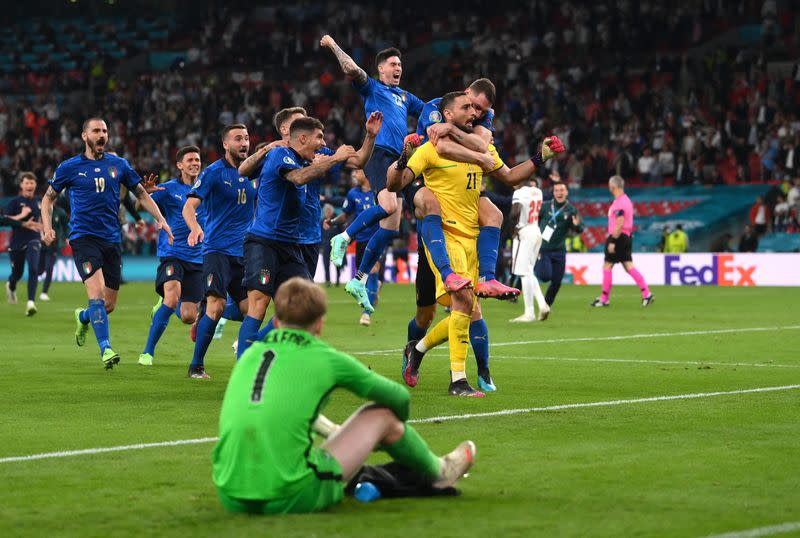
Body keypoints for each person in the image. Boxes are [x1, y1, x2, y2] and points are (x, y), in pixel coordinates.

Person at [212, 277, 476, 515]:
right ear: (320, 324)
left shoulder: (249, 357)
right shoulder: (325, 358)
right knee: (382, 416)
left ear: (277, 322)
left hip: (230, 494)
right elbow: (399, 399)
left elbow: (275, 408)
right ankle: (439, 471)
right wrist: (381, 437)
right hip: (291, 495)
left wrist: (336, 432)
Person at [388, 92, 564, 396]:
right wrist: (403, 156)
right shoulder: (431, 149)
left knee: (468, 310)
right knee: (461, 304)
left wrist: (539, 158)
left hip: (472, 236)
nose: (474, 112)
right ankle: (458, 380)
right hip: (444, 236)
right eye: (466, 107)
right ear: (447, 114)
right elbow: (395, 183)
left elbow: (510, 177)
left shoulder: (479, 148)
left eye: (475, 107)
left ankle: (417, 350)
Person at [236, 114, 380, 358]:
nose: (323, 142)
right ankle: (244, 366)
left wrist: (371, 135)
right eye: (319, 137)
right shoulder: (280, 154)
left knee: (301, 305)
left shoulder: (310, 156)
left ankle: (253, 349)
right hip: (265, 241)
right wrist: (333, 159)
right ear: (301, 137)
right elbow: (297, 178)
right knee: (259, 302)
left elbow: (358, 160)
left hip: (293, 244)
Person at [42, 118, 172, 369]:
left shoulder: (119, 164)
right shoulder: (70, 167)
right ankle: (106, 349)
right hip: (83, 238)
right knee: (97, 293)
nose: (102, 135)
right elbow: (47, 200)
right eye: (96, 131)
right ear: (84, 136)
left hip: (112, 239)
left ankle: (82, 317)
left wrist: (161, 219)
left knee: (108, 304)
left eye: (104, 131)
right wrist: (47, 228)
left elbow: (142, 193)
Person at [320, 35, 425, 311]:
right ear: (381, 69)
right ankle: (343, 237)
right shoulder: (373, 88)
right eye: (392, 63)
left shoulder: (405, 96)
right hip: (380, 153)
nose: (398, 67)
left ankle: (359, 279)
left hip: (400, 158)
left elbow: (429, 111)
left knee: (391, 227)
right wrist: (333, 45)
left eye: (400, 63)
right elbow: (351, 70)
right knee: (388, 205)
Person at [409, 78, 520, 301]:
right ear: (466, 91)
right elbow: (442, 147)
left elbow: (482, 144)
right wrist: (479, 156)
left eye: (482, 110)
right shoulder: (435, 107)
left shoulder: (485, 114)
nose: (477, 114)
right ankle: (447, 274)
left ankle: (487, 278)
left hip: (461, 180)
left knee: (493, 214)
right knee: (426, 307)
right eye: (474, 106)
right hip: (424, 176)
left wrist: (451, 129)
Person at [183, 124, 256, 378]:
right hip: (217, 250)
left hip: (244, 253)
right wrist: (194, 228)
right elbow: (189, 207)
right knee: (216, 304)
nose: (244, 142)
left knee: (251, 310)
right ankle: (196, 366)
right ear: (226, 144)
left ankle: (245, 360)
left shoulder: (254, 171)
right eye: (238, 139)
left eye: (246, 138)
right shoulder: (213, 172)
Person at [137, 146, 205, 366]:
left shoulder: (208, 187)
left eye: (197, 159)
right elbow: (140, 206)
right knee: (172, 296)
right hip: (173, 253)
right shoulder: (168, 189)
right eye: (190, 160)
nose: (195, 163)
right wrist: (146, 193)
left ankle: (164, 306)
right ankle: (147, 353)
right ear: (179, 165)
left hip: (199, 257)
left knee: (187, 316)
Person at [325, 169, 381, 325]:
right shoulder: (352, 194)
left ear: (366, 172)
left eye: (357, 171)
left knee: (373, 269)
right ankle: (375, 288)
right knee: (363, 276)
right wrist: (333, 221)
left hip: (377, 238)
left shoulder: (378, 191)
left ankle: (367, 313)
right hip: (361, 240)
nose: (354, 175)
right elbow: (345, 215)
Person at [591, 176, 654, 308]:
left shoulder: (620, 202)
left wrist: (613, 240)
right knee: (628, 266)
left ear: (613, 186)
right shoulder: (625, 200)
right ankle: (646, 294)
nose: (609, 187)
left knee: (607, 266)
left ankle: (604, 299)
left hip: (618, 236)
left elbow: (619, 222)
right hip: (626, 236)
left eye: (609, 185)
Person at [535, 182, 583, 309]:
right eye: (557, 190)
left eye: (562, 190)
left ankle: (546, 305)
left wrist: (577, 225)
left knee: (557, 282)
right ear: (553, 192)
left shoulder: (572, 210)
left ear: (566, 192)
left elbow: (579, 229)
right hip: (543, 248)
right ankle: (535, 267)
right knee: (545, 277)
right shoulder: (544, 207)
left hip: (560, 250)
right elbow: (534, 220)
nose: (559, 193)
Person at [508, 178, 549, 322]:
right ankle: (542, 304)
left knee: (523, 273)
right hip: (536, 230)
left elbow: (515, 212)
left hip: (524, 232)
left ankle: (529, 312)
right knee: (529, 271)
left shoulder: (519, 193)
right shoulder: (537, 191)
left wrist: (512, 229)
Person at [4, 172, 43, 316]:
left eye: (31, 183)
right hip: (16, 243)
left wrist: (46, 228)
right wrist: (22, 219)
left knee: (34, 268)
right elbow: (4, 220)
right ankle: (11, 285)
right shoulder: (14, 202)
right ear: (21, 185)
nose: (29, 186)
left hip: (33, 239)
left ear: (35, 185)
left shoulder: (39, 201)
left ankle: (31, 303)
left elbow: (45, 216)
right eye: (26, 183)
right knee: (17, 274)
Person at [37, 197, 67, 301]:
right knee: (39, 270)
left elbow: (65, 227)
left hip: (53, 245)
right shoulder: (39, 211)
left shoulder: (60, 212)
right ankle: (34, 284)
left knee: (49, 268)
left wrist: (64, 238)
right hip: (40, 244)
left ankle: (44, 292)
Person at [320, 204, 343, 287]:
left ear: (332, 211)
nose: (327, 213)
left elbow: (342, 232)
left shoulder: (337, 220)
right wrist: (321, 245)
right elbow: (320, 234)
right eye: (326, 211)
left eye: (329, 211)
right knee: (326, 263)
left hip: (336, 245)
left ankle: (337, 280)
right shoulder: (322, 221)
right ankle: (327, 281)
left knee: (337, 263)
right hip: (326, 244)